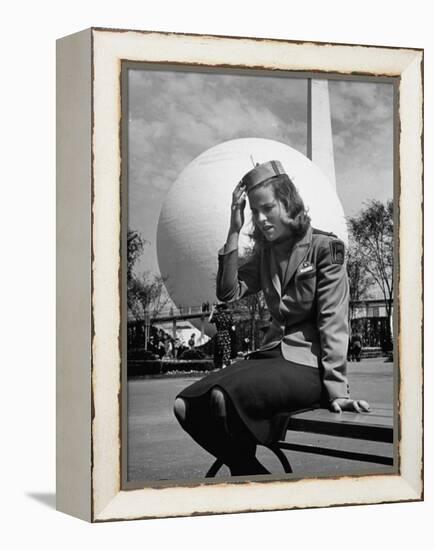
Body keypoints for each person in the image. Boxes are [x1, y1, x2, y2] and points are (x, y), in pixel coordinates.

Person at [173, 160, 370, 476]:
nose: (261, 219)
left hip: (309, 368)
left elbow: (333, 322)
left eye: (268, 208)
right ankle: (251, 474)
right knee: (184, 406)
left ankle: (249, 481)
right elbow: (228, 292)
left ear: (288, 203)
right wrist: (234, 229)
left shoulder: (325, 248)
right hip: (271, 358)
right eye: (254, 212)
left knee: (223, 397)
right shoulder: (265, 256)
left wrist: (337, 391)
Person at [209, 303, 233, 368]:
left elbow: (209, 320)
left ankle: (219, 363)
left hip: (219, 334)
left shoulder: (217, 317)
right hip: (226, 334)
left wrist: (212, 311)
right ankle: (225, 363)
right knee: (227, 350)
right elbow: (232, 325)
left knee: (220, 350)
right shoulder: (228, 317)